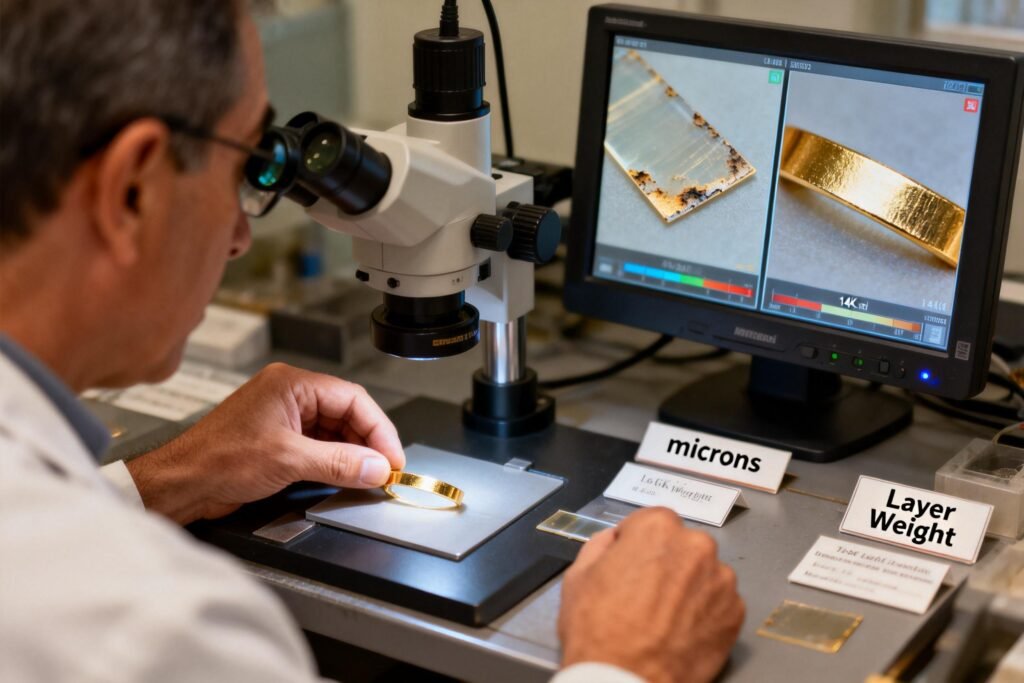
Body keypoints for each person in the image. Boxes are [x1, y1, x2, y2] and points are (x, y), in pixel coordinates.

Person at [0, 1, 744, 681]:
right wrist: (628, 663)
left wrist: (171, 479)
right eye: (246, 168)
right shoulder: (156, 629)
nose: (239, 237)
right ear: (132, 190)